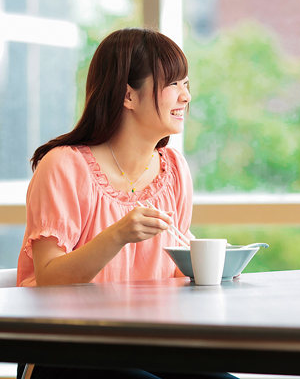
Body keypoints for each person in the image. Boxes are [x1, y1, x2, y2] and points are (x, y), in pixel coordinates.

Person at [16, 28, 234, 379]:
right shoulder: (64, 165)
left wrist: (216, 266)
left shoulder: (174, 169)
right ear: (128, 95)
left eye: (186, 84)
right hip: (69, 350)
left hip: (151, 345)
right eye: (173, 84)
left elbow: (178, 272)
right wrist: (116, 235)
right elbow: (49, 278)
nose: (186, 96)